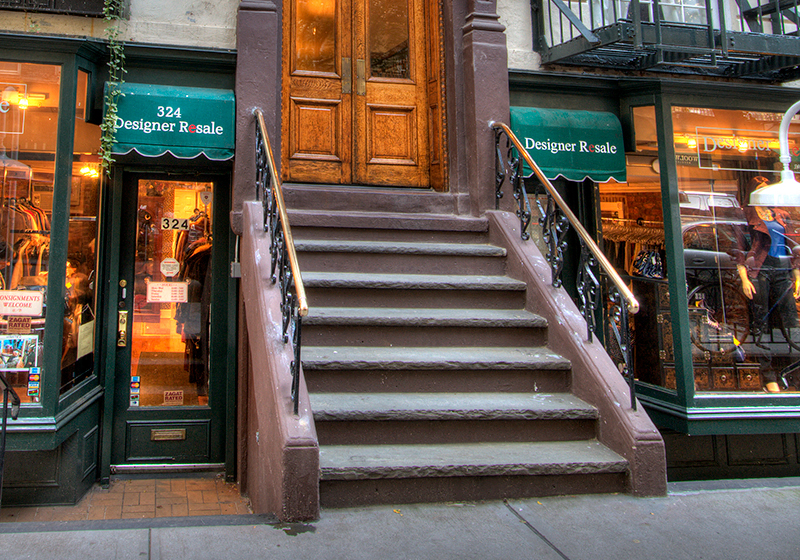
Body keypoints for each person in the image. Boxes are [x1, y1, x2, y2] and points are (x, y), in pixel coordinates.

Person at [737, 175, 800, 392]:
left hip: (782, 270)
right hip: (760, 270)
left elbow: (792, 244)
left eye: (767, 188)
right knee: (760, 321)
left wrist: (797, 274)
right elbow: (739, 248)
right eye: (760, 189)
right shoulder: (747, 216)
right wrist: (744, 277)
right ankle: (768, 375)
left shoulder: (780, 214)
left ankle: (793, 372)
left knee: (790, 321)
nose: (765, 193)